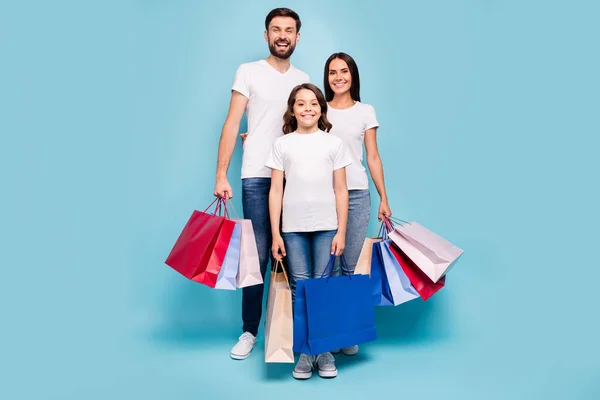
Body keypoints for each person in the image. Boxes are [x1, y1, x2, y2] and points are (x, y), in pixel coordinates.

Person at [213, 8, 310, 360]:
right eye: (276, 29)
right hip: (256, 176)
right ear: (266, 35)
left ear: (298, 37)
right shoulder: (248, 72)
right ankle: (250, 330)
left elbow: (310, 130)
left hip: (296, 180)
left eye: (289, 30)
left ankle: (295, 329)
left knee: (294, 254)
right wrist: (221, 173)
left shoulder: (303, 79)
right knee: (254, 257)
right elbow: (230, 122)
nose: (282, 35)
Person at [266, 83, 352, 380]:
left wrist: (341, 230)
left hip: (327, 227)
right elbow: (276, 190)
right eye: (301, 104)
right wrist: (276, 234)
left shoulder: (333, 143)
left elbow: (341, 190)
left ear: (321, 109)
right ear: (292, 109)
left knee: (323, 286)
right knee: (299, 289)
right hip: (293, 229)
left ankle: (324, 351)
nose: (307, 108)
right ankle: (305, 352)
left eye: (313, 103)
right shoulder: (282, 144)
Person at [323, 52, 392, 356]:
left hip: (357, 195)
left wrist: (384, 197)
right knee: (327, 265)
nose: (338, 77)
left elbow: (373, 156)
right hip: (322, 196)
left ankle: (346, 331)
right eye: (332, 72)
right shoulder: (318, 109)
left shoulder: (366, 111)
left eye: (344, 71)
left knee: (350, 265)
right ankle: (327, 332)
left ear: (353, 75)